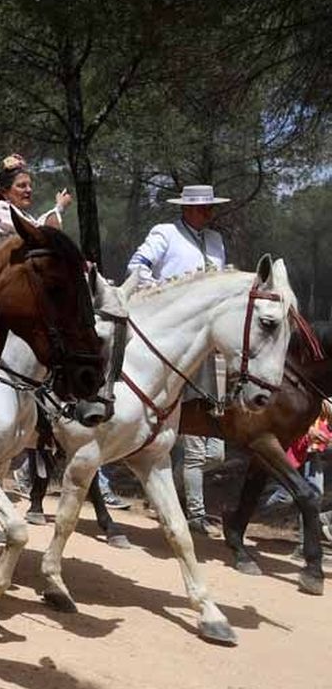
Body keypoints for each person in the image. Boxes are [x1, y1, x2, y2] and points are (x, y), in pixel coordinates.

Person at [128, 183, 232, 536]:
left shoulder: (216, 242)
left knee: (212, 449)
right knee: (183, 439)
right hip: (166, 340)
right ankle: (189, 510)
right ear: (186, 209)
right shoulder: (166, 233)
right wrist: (163, 295)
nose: (208, 213)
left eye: (210, 208)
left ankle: (163, 492)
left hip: (203, 348)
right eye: (202, 208)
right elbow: (137, 264)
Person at [0, 153, 71, 238]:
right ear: (4, 192)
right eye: (22, 186)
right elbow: (38, 233)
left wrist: (59, 206)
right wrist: (59, 207)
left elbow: (38, 227)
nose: (29, 190)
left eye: (30, 186)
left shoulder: (26, 217)